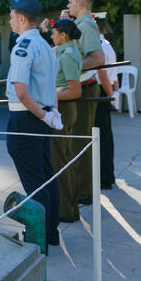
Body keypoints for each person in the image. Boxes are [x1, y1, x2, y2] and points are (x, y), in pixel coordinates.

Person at [5, 0, 62, 250]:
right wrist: (51, 114)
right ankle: (50, 233)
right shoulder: (45, 46)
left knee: (35, 182)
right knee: (46, 176)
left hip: (27, 117)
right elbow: (50, 86)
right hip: (41, 116)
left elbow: (21, 90)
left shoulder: (24, 45)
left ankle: (38, 239)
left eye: (11, 16)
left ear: (22, 18)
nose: (9, 21)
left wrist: (42, 115)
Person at [66, 0, 104, 207]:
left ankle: (82, 191)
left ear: (80, 4)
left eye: (71, 2)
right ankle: (80, 188)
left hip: (85, 87)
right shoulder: (79, 24)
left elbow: (97, 58)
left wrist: (72, 66)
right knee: (76, 139)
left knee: (80, 140)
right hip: (79, 86)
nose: (68, 6)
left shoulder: (86, 25)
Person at [49, 18, 82, 223]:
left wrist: (47, 95)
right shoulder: (62, 51)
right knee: (62, 159)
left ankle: (66, 210)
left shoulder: (68, 55)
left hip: (64, 110)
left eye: (53, 33)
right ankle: (67, 207)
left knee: (60, 161)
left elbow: (74, 91)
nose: (51, 36)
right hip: (60, 108)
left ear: (63, 35)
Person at [94, 17, 118, 190]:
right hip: (105, 90)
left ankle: (104, 177)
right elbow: (114, 73)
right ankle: (106, 175)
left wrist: (109, 95)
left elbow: (103, 74)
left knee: (101, 136)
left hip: (101, 90)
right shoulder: (106, 44)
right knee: (104, 135)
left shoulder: (100, 46)